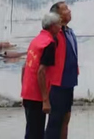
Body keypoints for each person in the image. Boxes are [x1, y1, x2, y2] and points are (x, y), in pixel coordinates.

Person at [22, 11, 63, 139]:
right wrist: (46, 100)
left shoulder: (36, 41)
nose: (60, 27)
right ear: (52, 26)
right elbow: (41, 72)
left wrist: (24, 90)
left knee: (31, 130)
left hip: (28, 92)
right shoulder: (49, 43)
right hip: (37, 94)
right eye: (59, 24)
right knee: (36, 133)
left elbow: (24, 67)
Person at [44, 1, 79, 139]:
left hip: (69, 81)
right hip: (57, 84)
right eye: (65, 9)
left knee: (66, 117)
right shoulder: (54, 35)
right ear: (57, 16)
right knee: (55, 120)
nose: (69, 11)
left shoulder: (70, 32)